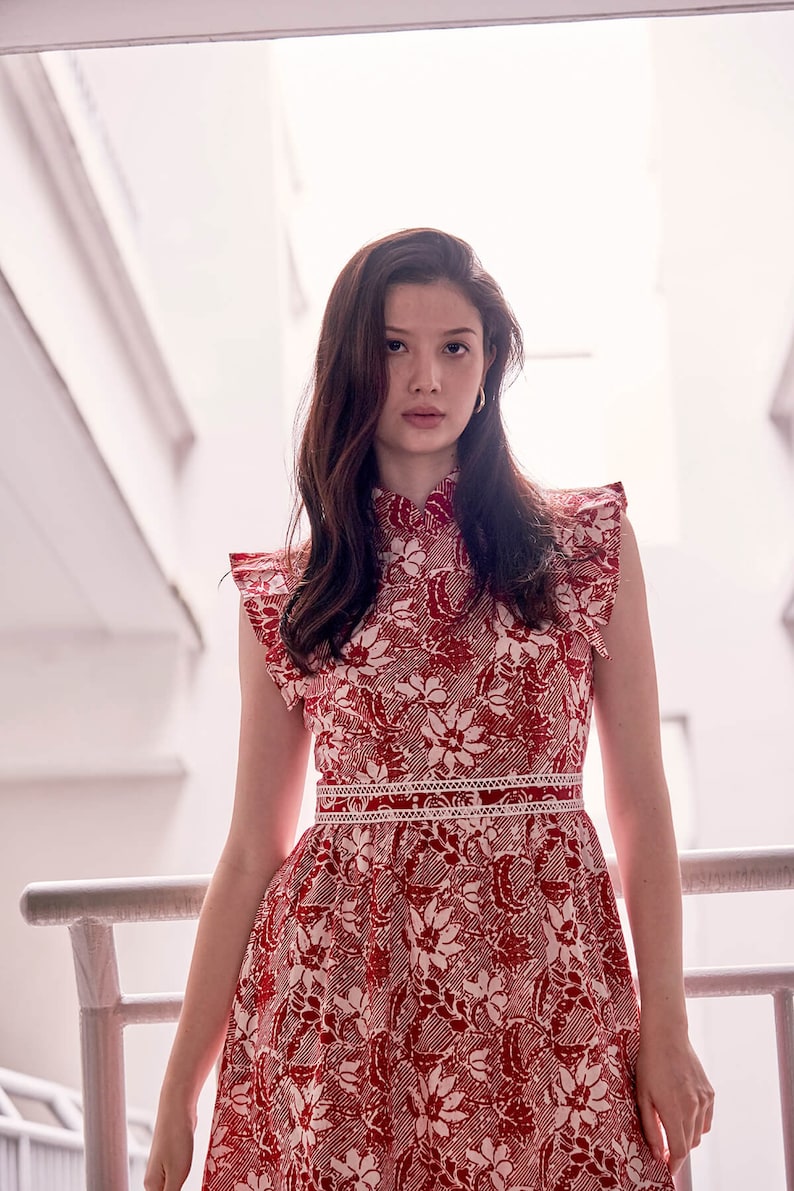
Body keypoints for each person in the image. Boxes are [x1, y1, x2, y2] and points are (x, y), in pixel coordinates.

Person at [144, 227, 714, 1191]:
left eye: (456, 346)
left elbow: (640, 810)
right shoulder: (294, 595)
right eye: (395, 346)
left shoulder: (585, 550)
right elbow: (252, 849)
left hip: (547, 1000)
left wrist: (668, 1021)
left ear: (490, 366)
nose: (426, 375)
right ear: (350, 366)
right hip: (346, 1018)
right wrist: (174, 1099)